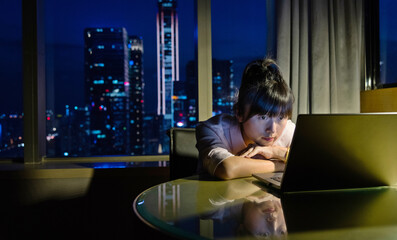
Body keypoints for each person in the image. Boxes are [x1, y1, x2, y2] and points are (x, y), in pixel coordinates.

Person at [195, 58, 295, 180]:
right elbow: (227, 168)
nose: (273, 129)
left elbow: (318, 161)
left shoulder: (288, 130)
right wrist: (281, 165)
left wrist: (275, 152)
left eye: (280, 117)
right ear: (239, 113)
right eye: (263, 117)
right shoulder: (214, 129)